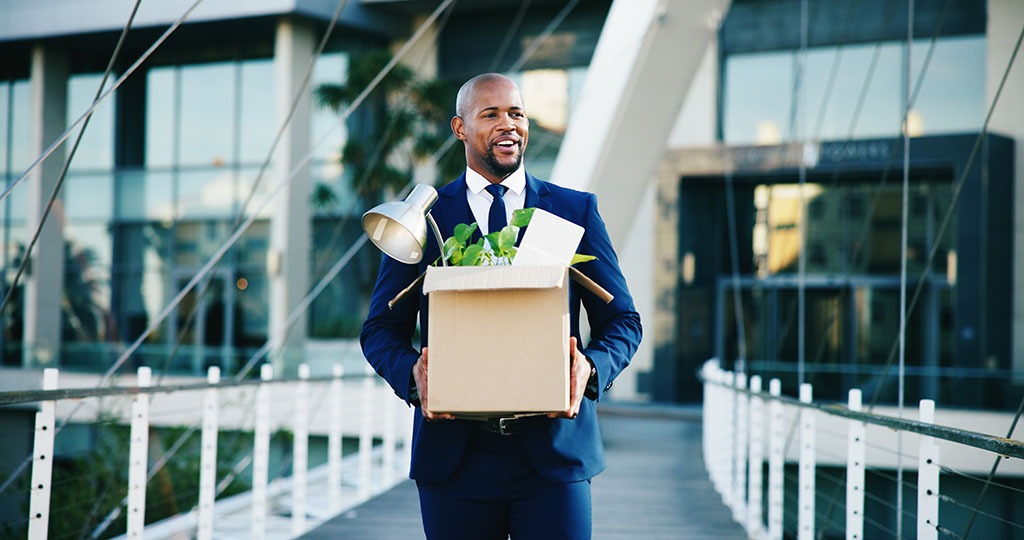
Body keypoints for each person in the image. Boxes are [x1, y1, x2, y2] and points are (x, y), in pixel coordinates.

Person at [360, 73, 642, 539]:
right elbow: (380, 329)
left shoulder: (573, 211)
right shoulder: (423, 218)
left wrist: (589, 368)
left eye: (516, 113)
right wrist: (412, 374)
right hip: (455, 458)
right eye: (490, 114)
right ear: (460, 128)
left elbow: (623, 321)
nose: (508, 124)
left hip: (555, 455)